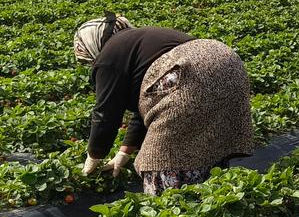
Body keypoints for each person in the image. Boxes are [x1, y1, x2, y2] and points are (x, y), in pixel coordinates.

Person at [73, 13, 254, 195]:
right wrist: (124, 152)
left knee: (160, 160)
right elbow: (147, 106)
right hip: (229, 65)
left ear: (92, 45)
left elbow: (105, 114)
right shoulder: (141, 41)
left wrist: (94, 155)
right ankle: (209, 203)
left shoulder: (109, 57)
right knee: (210, 142)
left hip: (188, 74)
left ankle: (173, 209)